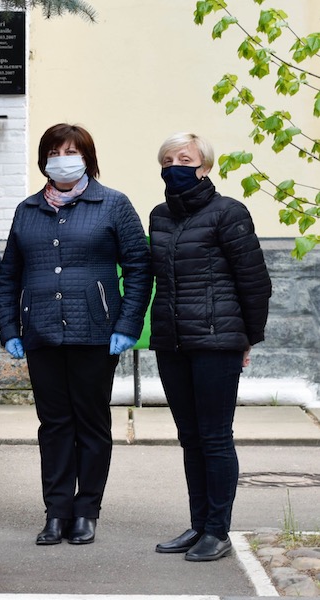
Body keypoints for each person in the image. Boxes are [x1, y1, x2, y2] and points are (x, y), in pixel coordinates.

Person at [0, 123, 151, 546]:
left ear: (87, 157)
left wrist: (127, 325)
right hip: (41, 333)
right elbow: (9, 273)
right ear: (44, 159)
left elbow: (139, 267)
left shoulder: (113, 204)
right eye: (54, 151)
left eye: (72, 151)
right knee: (54, 425)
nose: (62, 157)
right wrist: (10, 328)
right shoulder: (28, 209)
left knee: (91, 423)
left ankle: (87, 511)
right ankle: (56, 511)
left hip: (96, 335)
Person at [150, 133, 271, 562]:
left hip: (218, 343)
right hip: (173, 343)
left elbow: (254, 281)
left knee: (215, 438)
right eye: (167, 159)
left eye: (185, 158)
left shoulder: (229, 212)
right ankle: (199, 524)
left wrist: (247, 338)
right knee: (190, 438)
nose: (174, 165)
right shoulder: (160, 216)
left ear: (205, 167)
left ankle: (218, 531)